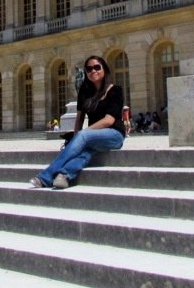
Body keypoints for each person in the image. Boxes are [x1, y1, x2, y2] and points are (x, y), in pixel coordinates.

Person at [29, 55, 125, 189]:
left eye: (97, 67)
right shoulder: (85, 92)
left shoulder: (115, 90)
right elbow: (79, 118)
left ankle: (45, 176)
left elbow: (109, 120)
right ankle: (64, 176)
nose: (93, 71)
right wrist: (76, 138)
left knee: (83, 138)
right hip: (93, 137)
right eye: (89, 69)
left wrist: (83, 134)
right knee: (86, 152)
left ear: (104, 70)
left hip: (114, 135)